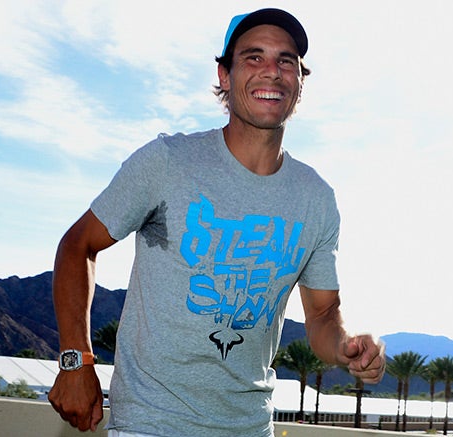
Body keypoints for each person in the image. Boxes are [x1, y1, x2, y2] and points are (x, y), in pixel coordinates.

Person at [48, 8, 385, 436]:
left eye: (286, 60)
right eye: (253, 57)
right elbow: (78, 246)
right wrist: (76, 360)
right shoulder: (168, 162)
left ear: (300, 82)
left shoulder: (316, 199)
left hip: (250, 427)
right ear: (224, 76)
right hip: (152, 424)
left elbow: (323, 314)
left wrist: (347, 347)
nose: (272, 71)